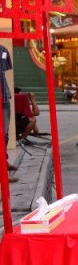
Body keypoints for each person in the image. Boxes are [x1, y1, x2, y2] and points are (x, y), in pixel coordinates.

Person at [0, 43, 17, 182]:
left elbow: (4, 70)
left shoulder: (3, 50)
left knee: (4, 135)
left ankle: (3, 164)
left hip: (3, 97)